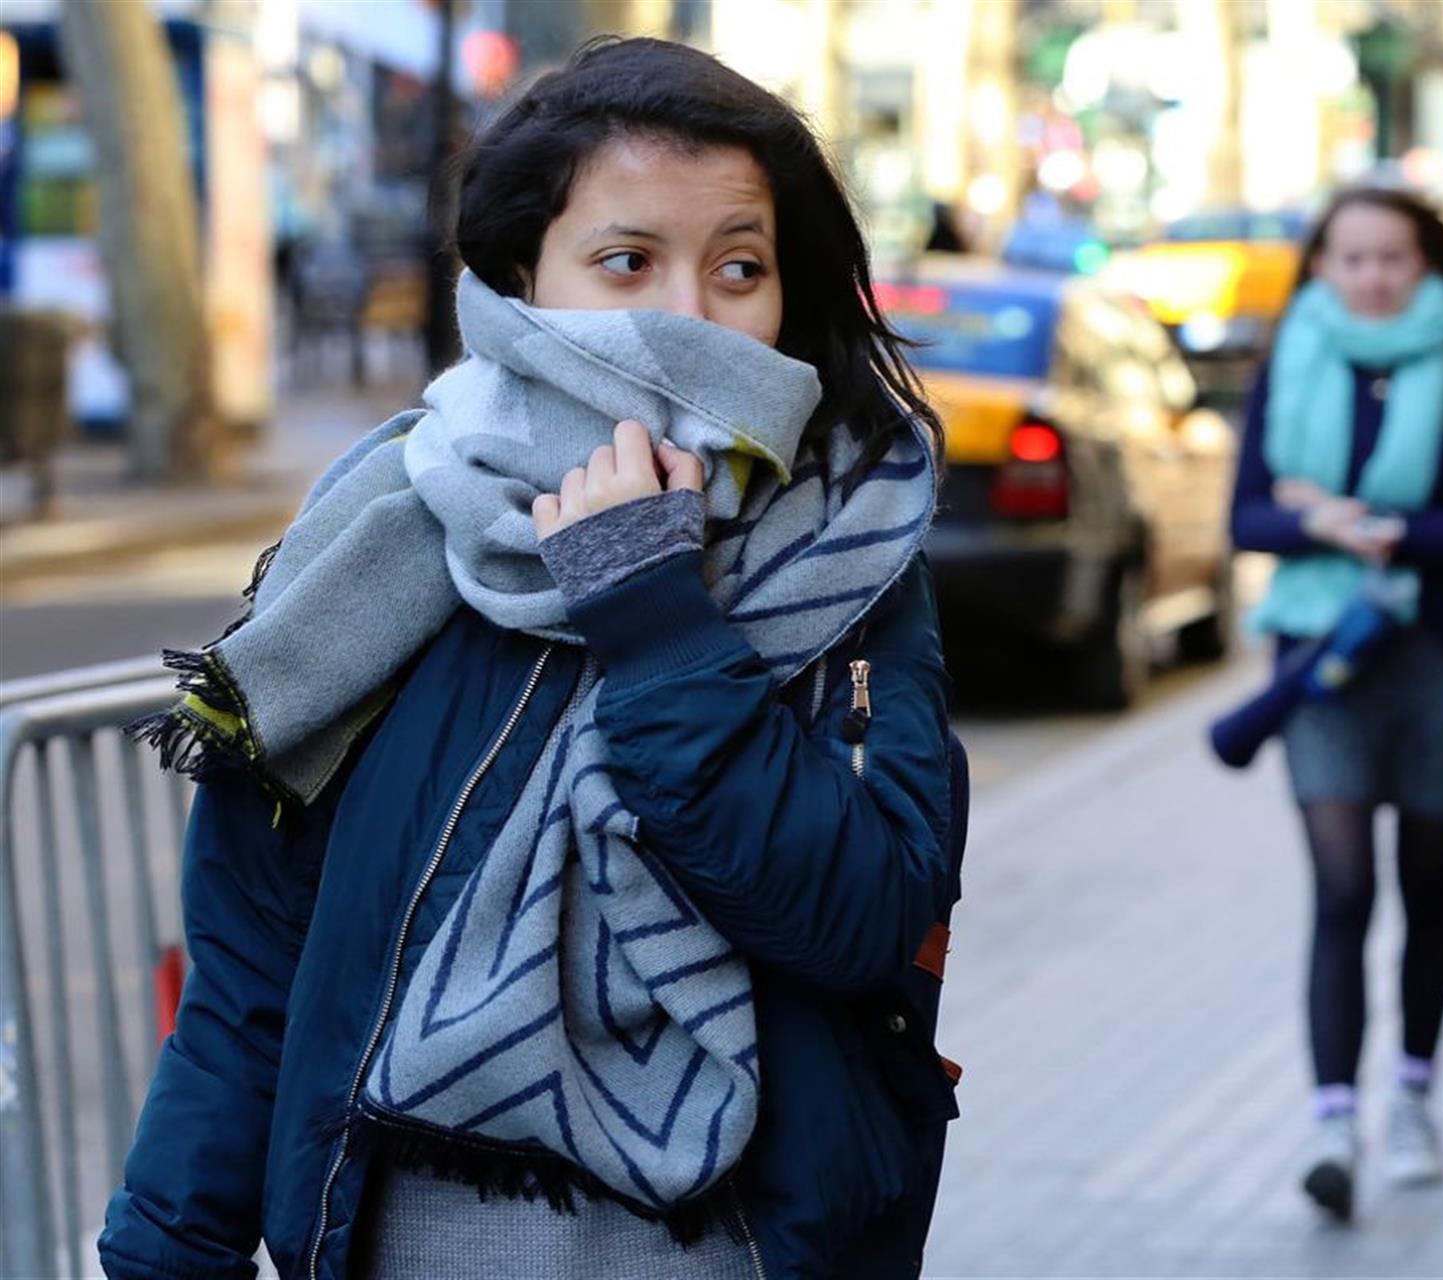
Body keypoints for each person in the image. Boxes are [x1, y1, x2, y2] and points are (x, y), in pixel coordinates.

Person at [102, 38, 963, 1279]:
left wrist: (654, 614)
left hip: (732, 1241)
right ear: (522, 275)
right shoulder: (380, 535)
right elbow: (250, 966)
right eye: (627, 262)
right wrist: (165, 1253)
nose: (687, 317)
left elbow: (860, 916)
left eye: (739, 268)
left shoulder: (854, 554)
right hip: (404, 1230)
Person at [1230, 188, 1443, 1222]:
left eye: (1394, 258)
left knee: (1428, 885)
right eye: (1354, 258)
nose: (1375, 276)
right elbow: (1250, 512)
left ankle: (1416, 1098)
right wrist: (1333, 527)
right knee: (1343, 893)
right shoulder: (1288, 356)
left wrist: (1351, 522)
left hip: (1440, 656)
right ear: (1324, 267)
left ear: (1426, 265)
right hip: (1324, 657)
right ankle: (1334, 1122)